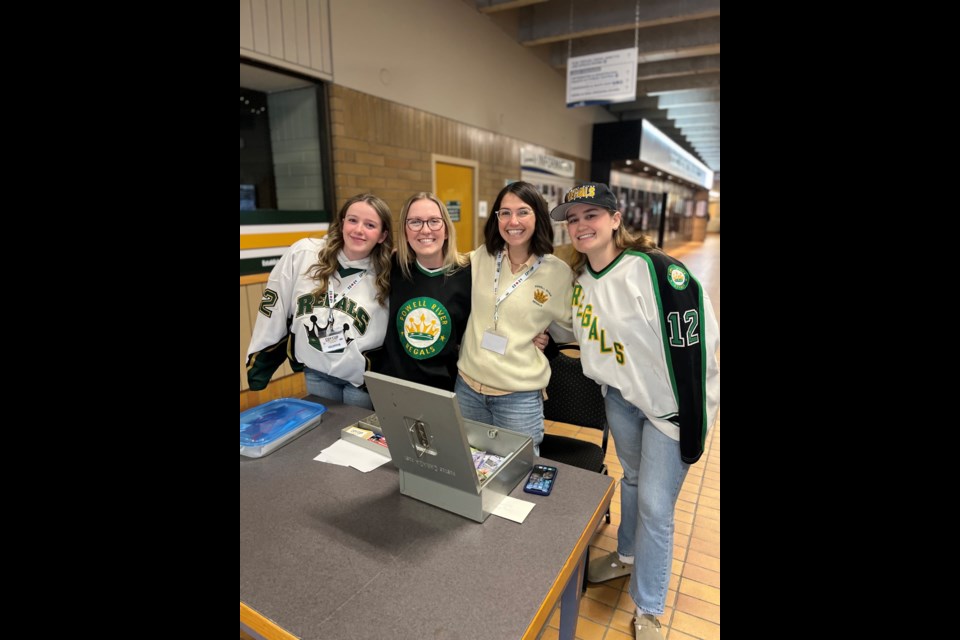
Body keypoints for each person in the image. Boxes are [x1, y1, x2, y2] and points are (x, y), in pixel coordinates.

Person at [549, 183, 719, 639]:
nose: (581, 225)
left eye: (592, 215)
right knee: (634, 481)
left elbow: (698, 348)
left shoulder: (657, 271)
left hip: (669, 410)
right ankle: (626, 555)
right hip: (621, 401)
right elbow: (578, 329)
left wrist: (694, 421)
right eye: (573, 219)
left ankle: (649, 607)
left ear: (616, 218)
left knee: (656, 507)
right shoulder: (582, 280)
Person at [455, 181, 574, 455]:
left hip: (518, 397)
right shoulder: (481, 258)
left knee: (518, 478)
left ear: (538, 217)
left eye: (523, 212)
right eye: (504, 213)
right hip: (468, 389)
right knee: (469, 469)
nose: (513, 221)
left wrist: (549, 337)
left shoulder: (558, 273)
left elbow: (573, 330)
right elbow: (442, 269)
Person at [246, 193, 393, 409]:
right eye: (352, 220)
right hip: (316, 372)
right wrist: (260, 362)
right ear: (342, 223)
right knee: (323, 435)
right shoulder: (305, 254)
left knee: (354, 437)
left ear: (382, 235)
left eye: (370, 225)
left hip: (360, 381)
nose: (358, 230)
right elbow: (274, 305)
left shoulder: (390, 272)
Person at [367, 192, 471, 391]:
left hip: (445, 390)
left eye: (434, 221)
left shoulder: (468, 274)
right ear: (405, 231)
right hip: (392, 387)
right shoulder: (391, 268)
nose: (425, 230)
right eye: (415, 222)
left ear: (447, 230)